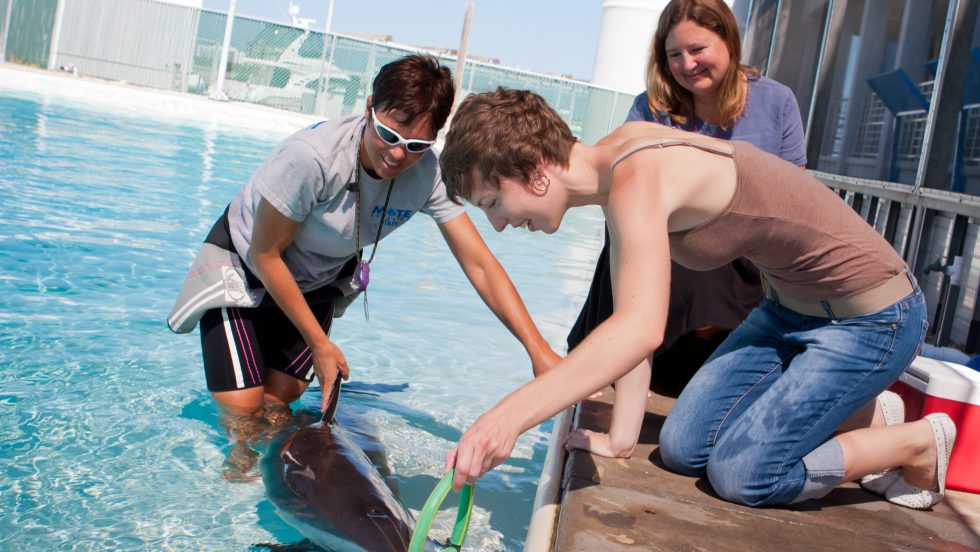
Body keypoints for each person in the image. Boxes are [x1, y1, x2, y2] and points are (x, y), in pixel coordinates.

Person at [438, 88, 956, 510]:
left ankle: (915, 444)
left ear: (534, 166)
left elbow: (642, 329)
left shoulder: (635, 178)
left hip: (874, 317)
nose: (499, 224)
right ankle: (865, 410)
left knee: (745, 475)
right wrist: (620, 439)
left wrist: (505, 418)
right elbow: (628, 322)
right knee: (683, 449)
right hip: (787, 312)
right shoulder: (615, 167)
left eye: (491, 202)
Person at [168, 56, 559, 478]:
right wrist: (320, 345)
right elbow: (265, 254)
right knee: (244, 415)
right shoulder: (311, 158)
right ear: (370, 105)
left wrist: (538, 351)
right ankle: (231, 492)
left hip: (316, 282)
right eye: (389, 134)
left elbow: (480, 264)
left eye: (415, 145)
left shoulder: (428, 174)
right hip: (243, 273)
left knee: (279, 405)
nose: (396, 154)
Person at [566, 0, 809, 458]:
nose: (686, 64)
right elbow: (617, 179)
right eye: (674, 54)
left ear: (729, 42)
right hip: (672, 250)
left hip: (747, 256)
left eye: (697, 48)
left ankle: (636, 357)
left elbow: (794, 197)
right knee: (632, 233)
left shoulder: (776, 101)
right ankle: (614, 358)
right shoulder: (651, 107)